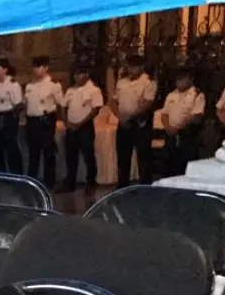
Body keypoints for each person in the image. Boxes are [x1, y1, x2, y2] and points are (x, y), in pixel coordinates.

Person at [112, 55, 157, 188]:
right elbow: (114, 101)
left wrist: (130, 116)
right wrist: (120, 117)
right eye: (130, 66)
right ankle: (122, 186)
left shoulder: (149, 82)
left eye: (135, 66)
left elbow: (147, 103)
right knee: (123, 157)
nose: (132, 69)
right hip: (123, 122)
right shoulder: (121, 82)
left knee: (143, 157)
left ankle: (145, 186)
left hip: (140, 122)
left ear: (141, 67)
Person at [60, 63, 103, 196]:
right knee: (70, 156)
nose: (76, 77)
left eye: (79, 74)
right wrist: (66, 122)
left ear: (86, 74)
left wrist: (81, 123)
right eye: (75, 74)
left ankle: (91, 182)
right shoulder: (70, 90)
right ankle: (70, 182)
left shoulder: (94, 90)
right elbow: (63, 106)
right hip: (71, 126)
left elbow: (96, 109)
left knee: (88, 156)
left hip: (85, 127)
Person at [23, 55, 62, 189]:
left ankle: (49, 183)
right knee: (33, 153)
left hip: (45, 120)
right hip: (32, 121)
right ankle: (32, 182)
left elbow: (59, 103)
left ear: (46, 68)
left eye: (38, 67)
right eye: (34, 67)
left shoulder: (53, 85)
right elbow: (26, 104)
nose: (36, 70)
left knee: (48, 152)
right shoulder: (30, 85)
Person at [160, 69, 205, 177]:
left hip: (187, 134)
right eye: (177, 80)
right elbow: (164, 114)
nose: (179, 82)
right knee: (169, 164)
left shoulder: (197, 95)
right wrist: (168, 128)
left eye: (182, 79)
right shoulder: (171, 95)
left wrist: (179, 127)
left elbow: (196, 115)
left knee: (185, 164)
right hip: (170, 133)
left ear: (190, 80)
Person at [0, 58, 24, 174]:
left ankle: (16, 174)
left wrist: (11, 119)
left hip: (8, 117)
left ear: (5, 69)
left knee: (11, 148)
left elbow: (18, 104)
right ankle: (0, 174)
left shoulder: (13, 84)